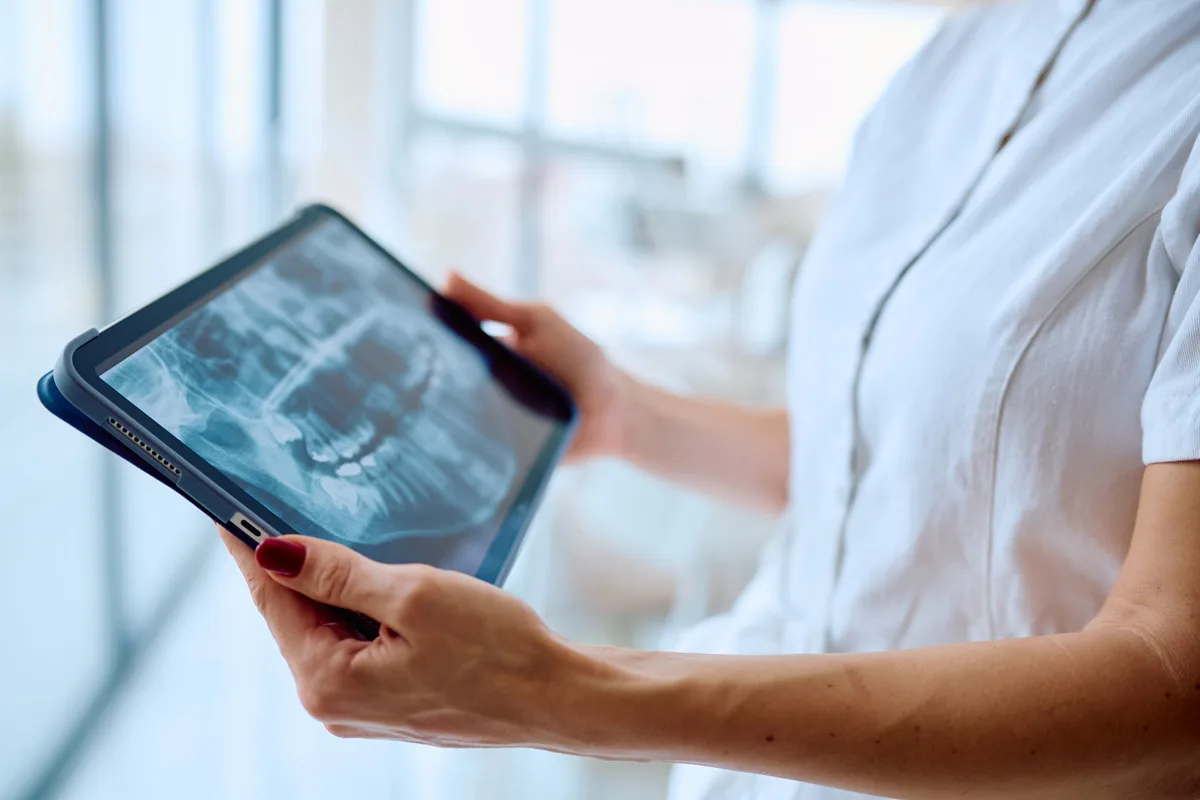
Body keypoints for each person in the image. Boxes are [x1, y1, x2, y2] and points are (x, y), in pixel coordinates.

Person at [220, 1, 1200, 797]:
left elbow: (1174, 677)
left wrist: (559, 692)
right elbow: (882, 462)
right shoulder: (952, 61)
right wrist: (625, 409)